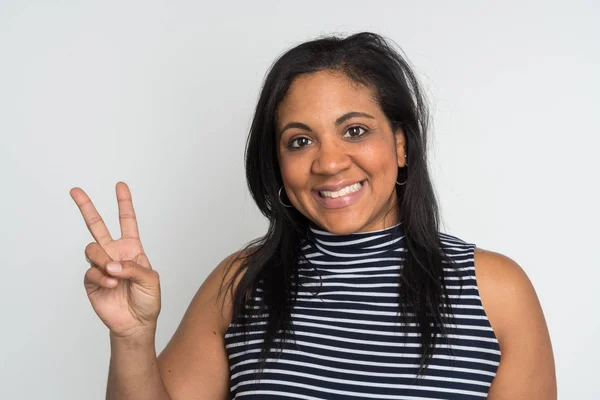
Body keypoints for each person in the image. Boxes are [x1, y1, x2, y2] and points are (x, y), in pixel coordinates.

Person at [71, 32, 556, 399]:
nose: (328, 162)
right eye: (300, 141)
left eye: (355, 130)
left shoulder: (496, 291)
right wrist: (132, 337)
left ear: (401, 143)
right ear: (278, 164)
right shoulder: (240, 283)